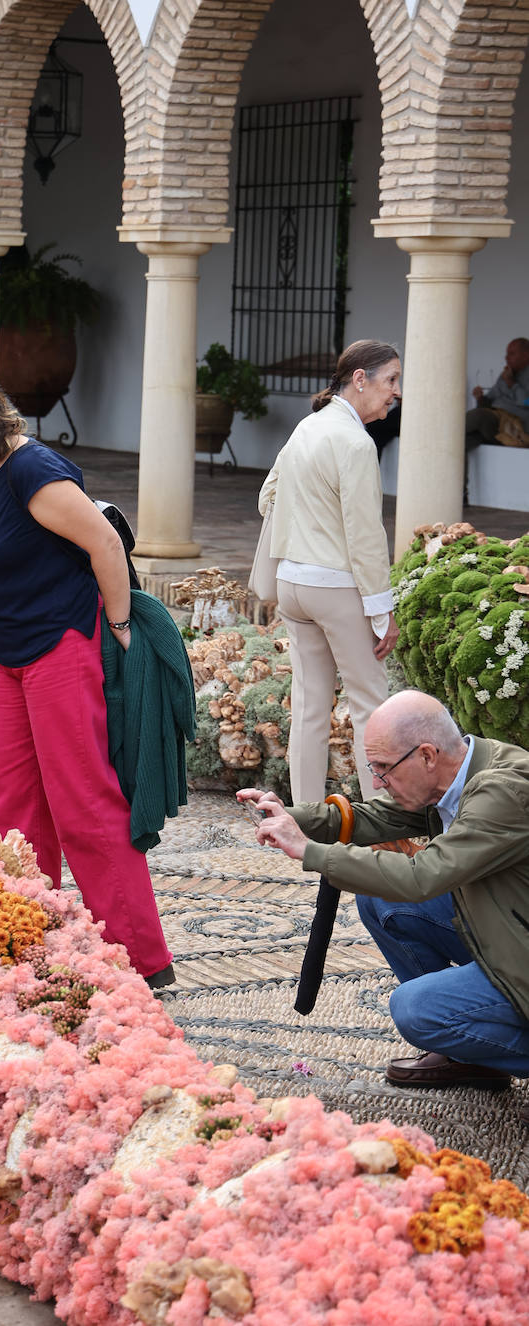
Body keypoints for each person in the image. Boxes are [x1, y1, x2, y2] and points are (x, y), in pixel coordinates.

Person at [0, 359, 174, 987]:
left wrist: (122, 625)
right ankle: (25, 934)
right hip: (10, 654)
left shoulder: (31, 469)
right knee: (10, 802)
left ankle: (141, 959)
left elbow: (104, 543)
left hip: (61, 648)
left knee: (83, 802)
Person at [239, 690, 529, 1112]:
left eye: (383, 769)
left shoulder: (501, 791)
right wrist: (290, 817)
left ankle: (481, 1039)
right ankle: (472, 1056)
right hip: (507, 928)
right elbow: (375, 817)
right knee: (380, 902)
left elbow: (421, 876)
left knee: (416, 1010)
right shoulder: (455, 773)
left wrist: (309, 851)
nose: (376, 781)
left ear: (427, 755)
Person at [258, 340, 401, 805]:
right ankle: (383, 825)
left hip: (292, 585)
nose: (395, 392)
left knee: (309, 708)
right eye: (391, 381)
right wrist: (383, 610)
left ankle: (305, 822)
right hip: (335, 587)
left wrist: (305, 521)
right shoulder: (355, 441)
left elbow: (267, 498)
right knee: (371, 707)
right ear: (360, 379)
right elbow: (365, 536)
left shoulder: (308, 427)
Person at [466, 337, 529, 448]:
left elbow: (526, 402)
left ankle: (440, 433)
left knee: (478, 416)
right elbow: (489, 402)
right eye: (506, 354)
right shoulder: (506, 374)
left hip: (515, 428)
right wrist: (480, 398)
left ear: (526, 355)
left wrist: (512, 383)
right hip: (495, 423)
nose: (506, 357)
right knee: (466, 440)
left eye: (512, 354)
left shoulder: (511, 377)